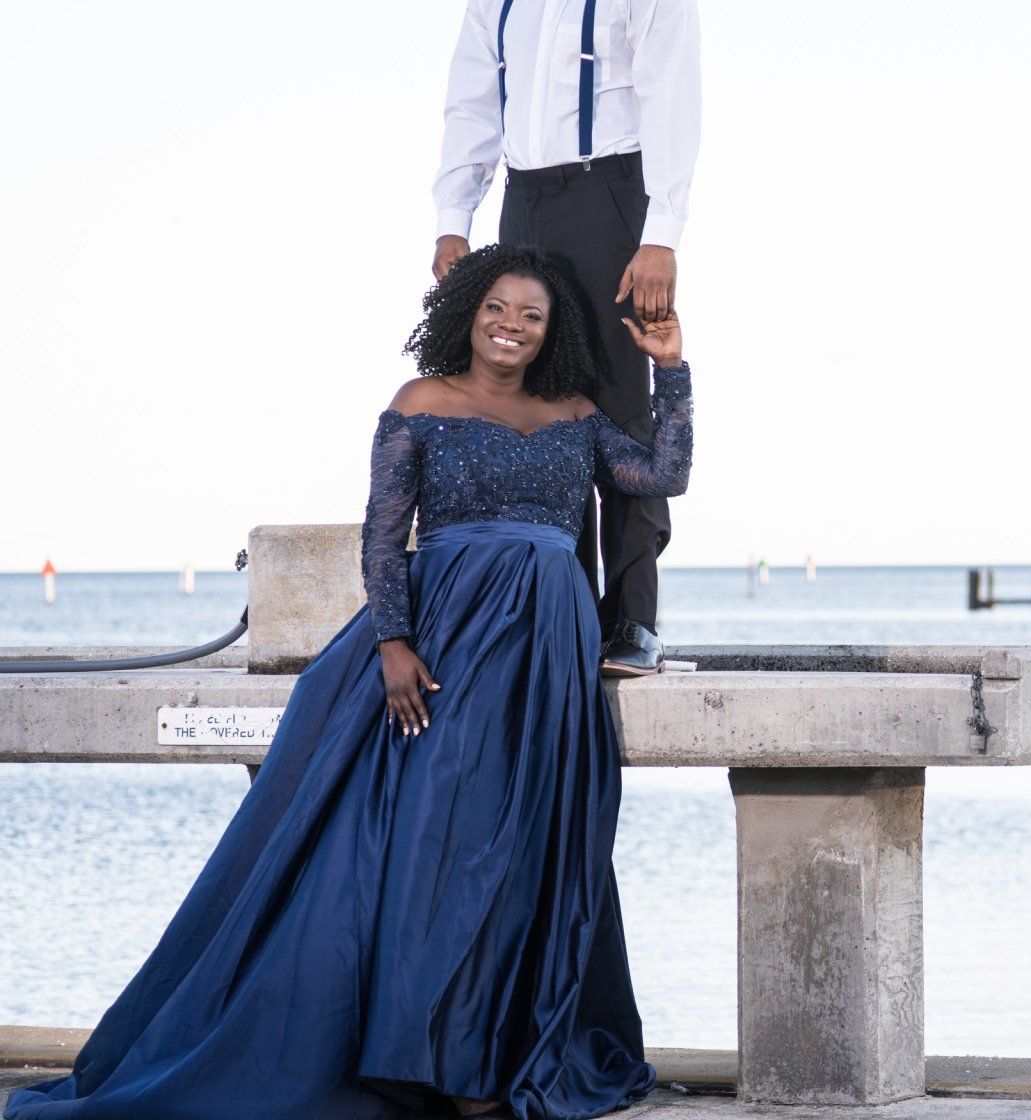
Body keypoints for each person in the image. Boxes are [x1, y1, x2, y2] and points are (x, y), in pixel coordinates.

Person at [7, 244, 693, 1120]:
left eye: (532, 316)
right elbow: (384, 533)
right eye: (497, 308)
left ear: (550, 331)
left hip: (548, 652)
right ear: (468, 312)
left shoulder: (577, 411)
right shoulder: (421, 403)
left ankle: (484, 1058)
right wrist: (393, 643)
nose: (511, 326)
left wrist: (670, 373)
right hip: (450, 641)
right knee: (443, 846)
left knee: (524, 853)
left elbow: (660, 476)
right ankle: (429, 1059)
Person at [433, 0, 700, 674]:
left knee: (620, 411)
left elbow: (673, 110)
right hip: (525, 201)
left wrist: (661, 235)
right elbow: (470, 105)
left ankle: (635, 625)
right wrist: (453, 219)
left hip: (615, 196)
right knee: (539, 411)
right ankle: (562, 614)